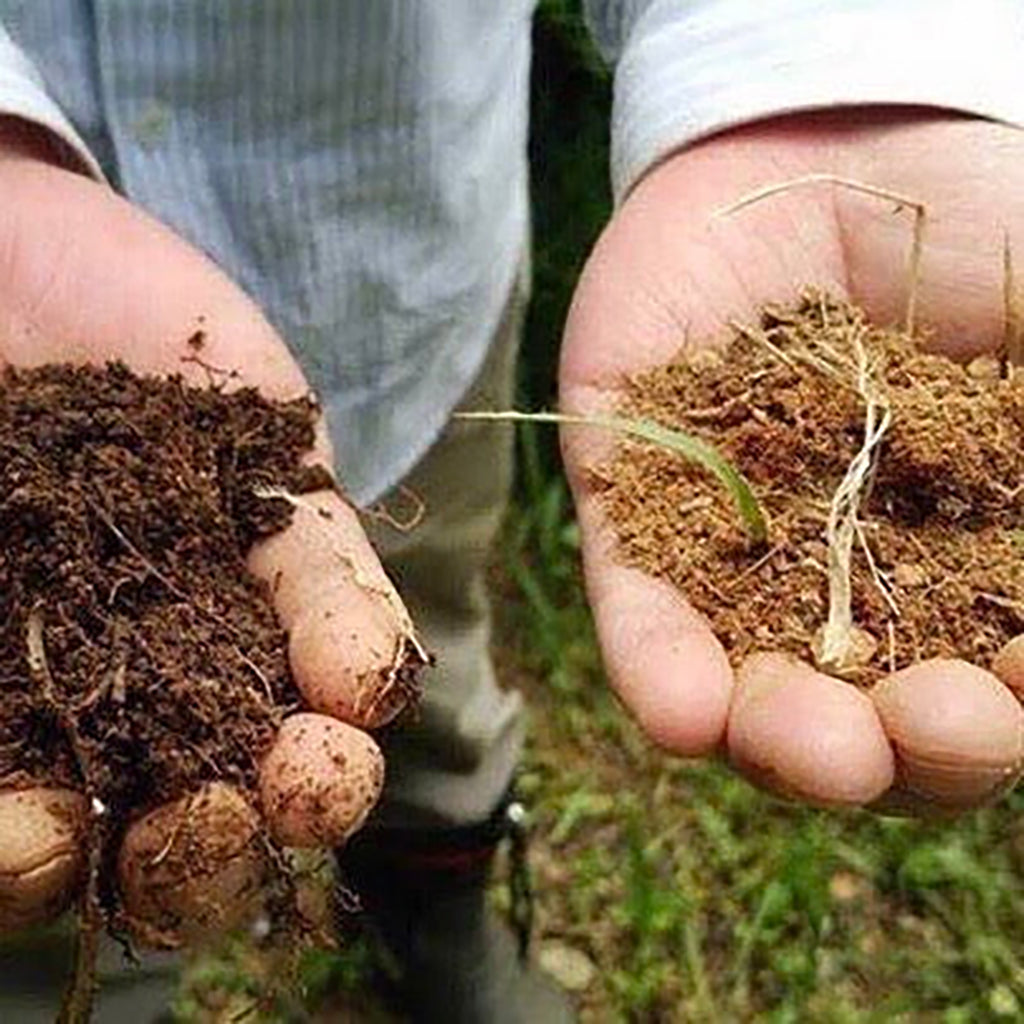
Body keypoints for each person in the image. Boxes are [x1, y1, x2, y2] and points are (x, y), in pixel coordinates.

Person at [1, 1, 1023, 1021]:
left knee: (427, 640)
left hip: (406, 312)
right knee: (98, 832)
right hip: (57, 263)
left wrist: (827, 76)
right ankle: (101, 974)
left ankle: (437, 897)